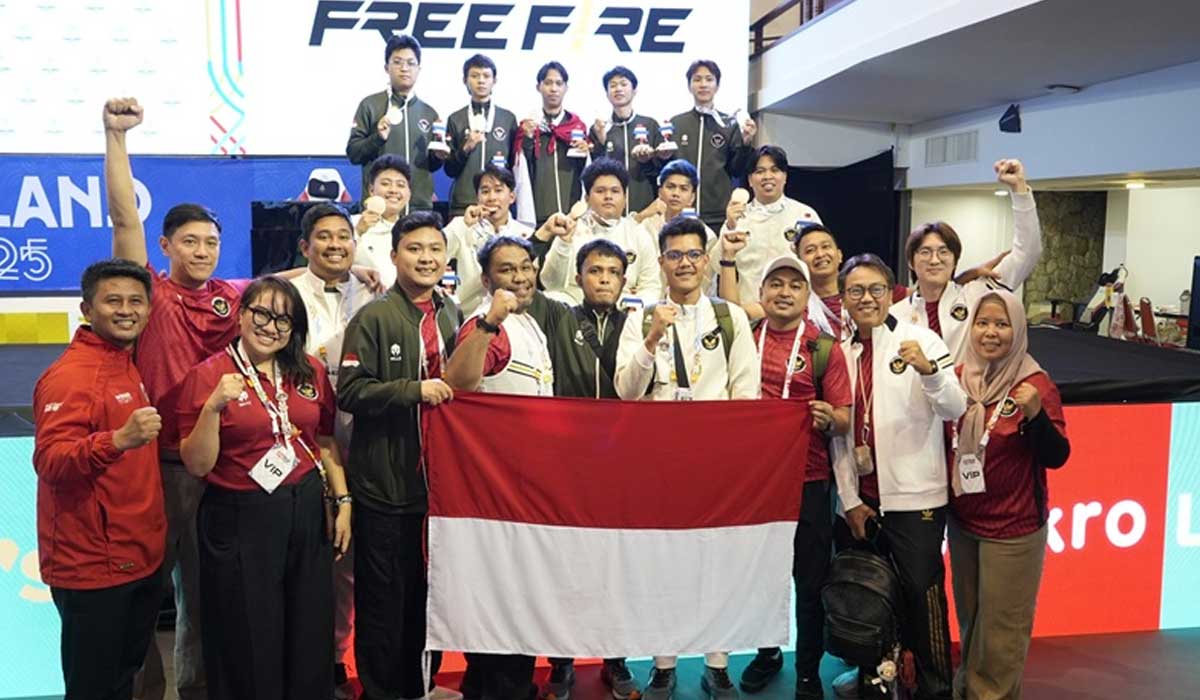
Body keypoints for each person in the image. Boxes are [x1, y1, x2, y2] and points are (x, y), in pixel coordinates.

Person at [106, 96, 246, 700]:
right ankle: (142, 692)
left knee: (210, 600)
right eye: (190, 241)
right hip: (159, 468)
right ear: (165, 246)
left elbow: (289, 287)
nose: (203, 251)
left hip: (219, 466)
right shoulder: (151, 295)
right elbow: (124, 221)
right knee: (143, 593)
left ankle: (198, 691)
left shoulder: (231, 299)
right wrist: (116, 137)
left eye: (211, 242)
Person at [176, 276, 350, 700]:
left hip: (305, 506)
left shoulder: (307, 371)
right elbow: (197, 463)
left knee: (309, 623)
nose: (271, 327)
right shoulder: (208, 376)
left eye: (283, 320)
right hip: (240, 513)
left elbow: (324, 439)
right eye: (262, 314)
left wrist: (342, 500)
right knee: (248, 630)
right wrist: (213, 407)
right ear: (241, 315)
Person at [613, 216, 759, 700]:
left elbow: (746, 395)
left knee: (717, 564)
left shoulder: (729, 317)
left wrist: (733, 459)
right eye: (674, 255)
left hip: (716, 464)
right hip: (658, 463)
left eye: (694, 254)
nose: (685, 263)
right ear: (661, 262)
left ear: (706, 260)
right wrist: (653, 338)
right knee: (663, 565)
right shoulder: (641, 316)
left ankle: (717, 664)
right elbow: (626, 392)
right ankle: (663, 664)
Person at [827, 255, 967, 700]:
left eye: (875, 289)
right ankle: (875, 681)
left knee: (923, 599)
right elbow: (839, 435)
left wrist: (930, 372)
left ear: (891, 293)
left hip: (916, 498)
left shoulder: (921, 340)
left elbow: (955, 407)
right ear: (843, 298)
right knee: (868, 597)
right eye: (855, 291)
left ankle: (934, 688)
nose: (866, 298)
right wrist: (849, 500)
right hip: (863, 499)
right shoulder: (839, 352)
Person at [338, 211, 461, 700]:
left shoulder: (452, 313)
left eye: (434, 249)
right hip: (385, 488)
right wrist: (413, 390)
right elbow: (350, 391)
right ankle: (383, 692)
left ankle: (421, 687)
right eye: (414, 249)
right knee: (383, 604)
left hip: (441, 491)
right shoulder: (374, 317)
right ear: (394, 256)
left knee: (428, 601)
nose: (426, 258)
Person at [717, 255, 851, 700]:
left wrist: (829, 417)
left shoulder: (823, 348)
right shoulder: (743, 340)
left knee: (809, 583)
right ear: (761, 293)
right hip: (753, 485)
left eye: (795, 285)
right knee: (760, 580)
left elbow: (845, 418)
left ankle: (808, 671)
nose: (785, 292)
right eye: (776, 283)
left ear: (807, 295)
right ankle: (767, 653)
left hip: (808, 481)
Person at [33, 259, 166, 700]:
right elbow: (50, 460)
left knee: (120, 680)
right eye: (113, 301)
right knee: (93, 688)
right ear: (87, 309)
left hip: (136, 557)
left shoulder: (124, 360)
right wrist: (117, 440)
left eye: (135, 301)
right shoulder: (70, 377)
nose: (126, 310)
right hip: (92, 566)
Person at [526, 238, 641, 699]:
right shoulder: (558, 317)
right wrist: (543, 238)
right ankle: (561, 661)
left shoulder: (637, 325)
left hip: (621, 463)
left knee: (616, 564)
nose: (605, 279)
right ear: (578, 277)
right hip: (566, 462)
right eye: (596, 271)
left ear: (624, 280)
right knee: (565, 563)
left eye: (613, 272)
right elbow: (524, 278)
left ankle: (616, 658)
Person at [445, 235, 553, 700]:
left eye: (525, 266)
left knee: (519, 597)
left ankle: (506, 687)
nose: (520, 277)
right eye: (507, 270)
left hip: (527, 484)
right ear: (487, 280)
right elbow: (459, 382)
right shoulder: (487, 324)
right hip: (494, 489)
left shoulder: (529, 323)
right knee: (501, 599)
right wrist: (489, 322)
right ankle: (496, 689)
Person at [948, 290, 1069, 700]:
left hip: (1013, 530)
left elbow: (1057, 456)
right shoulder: (959, 377)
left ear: (1017, 330)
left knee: (1001, 635)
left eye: (1001, 324)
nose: (990, 332)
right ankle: (967, 691)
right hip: (964, 524)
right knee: (972, 624)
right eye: (982, 323)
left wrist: (1035, 415)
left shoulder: (1035, 385)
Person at [289, 203, 377, 698]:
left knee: (351, 562)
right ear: (305, 246)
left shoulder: (374, 289)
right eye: (324, 237)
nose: (336, 245)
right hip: (307, 436)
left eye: (344, 236)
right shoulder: (287, 295)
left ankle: (339, 656)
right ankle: (308, 659)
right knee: (314, 555)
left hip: (366, 434)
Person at [891, 159, 1042, 361]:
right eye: (925, 252)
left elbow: (1027, 252)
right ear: (910, 261)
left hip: (968, 382)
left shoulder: (977, 295)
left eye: (943, 252)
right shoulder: (896, 315)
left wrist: (1019, 189)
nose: (934, 260)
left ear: (955, 260)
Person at [538, 158, 661, 308]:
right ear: (587, 199)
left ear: (625, 198)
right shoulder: (570, 230)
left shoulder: (639, 234)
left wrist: (633, 307)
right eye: (600, 191)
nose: (608, 196)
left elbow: (651, 287)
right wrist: (564, 243)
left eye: (615, 191)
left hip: (624, 310)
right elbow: (550, 283)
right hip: (574, 307)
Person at [346, 34, 442, 210]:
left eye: (411, 63)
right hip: (378, 209)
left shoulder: (429, 113)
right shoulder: (370, 105)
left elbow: (431, 166)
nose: (404, 68)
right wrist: (377, 137)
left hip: (418, 208)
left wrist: (438, 157)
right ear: (386, 67)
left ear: (419, 69)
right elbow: (353, 153)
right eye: (397, 62)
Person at [720, 146, 823, 304]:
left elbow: (820, 265)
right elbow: (717, 266)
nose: (767, 177)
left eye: (774, 170)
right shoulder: (737, 217)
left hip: (795, 307)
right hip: (749, 308)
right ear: (750, 180)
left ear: (785, 176)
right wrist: (730, 226)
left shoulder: (805, 215)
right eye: (760, 171)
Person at [667, 60, 756, 230]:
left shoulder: (728, 124)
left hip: (717, 216)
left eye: (709, 79)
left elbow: (737, 170)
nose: (703, 84)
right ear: (689, 86)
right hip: (680, 214)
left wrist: (745, 143)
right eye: (697, 79)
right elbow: (666, 169)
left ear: (717, 86)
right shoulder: (676, 123)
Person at [445, 164, 534, 316]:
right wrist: (464, 225)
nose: (492, 198)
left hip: (515, 315)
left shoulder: (525, 234)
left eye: (498, 190)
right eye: (485, 191)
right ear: (477, 198)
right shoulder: (462, 225)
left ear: (512, 197)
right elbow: (439, 252)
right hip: (472, 314)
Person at [444, 54, 519, 217]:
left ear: (494, 80)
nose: (481, 81)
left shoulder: (508, 119)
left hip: (497, 205)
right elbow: (449, 170)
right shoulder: (455, 119)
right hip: (464, 204)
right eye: (475, 76)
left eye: (486, 76)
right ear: (465, 80)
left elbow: (514, 166)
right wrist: (465, 149)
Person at [516, 61, 589, 226]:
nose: (554, 89)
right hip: (539, 215)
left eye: (559, 83)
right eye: (548, 83)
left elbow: (586, 170)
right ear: (539, 87)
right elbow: (522, 168)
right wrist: (527, 139)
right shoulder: (529, 127)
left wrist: (586, 152)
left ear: (566, 88)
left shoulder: (576, 126)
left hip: (573, 215)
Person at [589, 66, 662, 214]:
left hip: (646, 208)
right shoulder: (599, 128)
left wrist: (648, 160)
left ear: (634, 91)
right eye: (613, 85)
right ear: (607, 93)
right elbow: (594, 173)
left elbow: (661, 169)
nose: (618, 89)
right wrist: (601, 143)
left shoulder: (650, 125)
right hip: (610, 212)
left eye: (623, 84)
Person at [353, 154, 414, 289]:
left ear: (409, 194)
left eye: (400, 185)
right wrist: (357, 232)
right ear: (371, 190)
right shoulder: (351, 224)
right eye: (386, 184)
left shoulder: (413, 232)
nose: (393, 190)